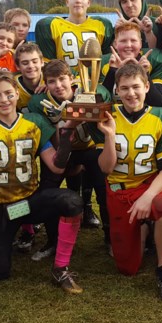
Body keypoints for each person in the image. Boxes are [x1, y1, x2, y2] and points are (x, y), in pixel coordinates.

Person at [0, 71, 86, 293]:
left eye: (9, 94)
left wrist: (67, 132)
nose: (4, 100)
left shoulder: (34, 122)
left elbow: (56, 166)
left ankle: (60, 266)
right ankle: (12, 234)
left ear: (17, 94)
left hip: (28, 203)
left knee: (71, 201)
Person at [93, 63, 162, 300]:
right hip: (119, 189)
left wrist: (147, 197)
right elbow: (105, 168)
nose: (131, 93)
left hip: (149, 185)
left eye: (135, 87)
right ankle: (143, 227)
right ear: (117, 91)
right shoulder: (106, 115)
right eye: (124, 88)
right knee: (127, 269)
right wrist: (110, 136)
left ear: (146, 86)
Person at [28, 59, 112, 257]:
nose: (58, 86)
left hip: (89, 147)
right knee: (48, 191)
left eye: (62, 79)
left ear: (72, 79)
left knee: (104, 189)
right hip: (60, 149)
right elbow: (51, 139)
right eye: (51, 81)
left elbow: (103, 114)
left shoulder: (89, 93)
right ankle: (52, 240)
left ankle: (110, 237)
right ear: (45, 83)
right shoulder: (38, 102)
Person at [34, 0, 114, 70]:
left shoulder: (102, 25)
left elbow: (107, 60)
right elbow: (49, 65)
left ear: (89, 2)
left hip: (95, 81)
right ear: (67, 2)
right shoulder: (51, 26)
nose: (78, 0)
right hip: (65, 81)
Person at [13, 42, 46, 110]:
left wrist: (51, 84)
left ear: (42, 62)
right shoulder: (12, 85)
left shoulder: (53, 79)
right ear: (17, 66)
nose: (30, 66)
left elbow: (73, 79)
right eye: (25, 63)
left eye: (34, 62)